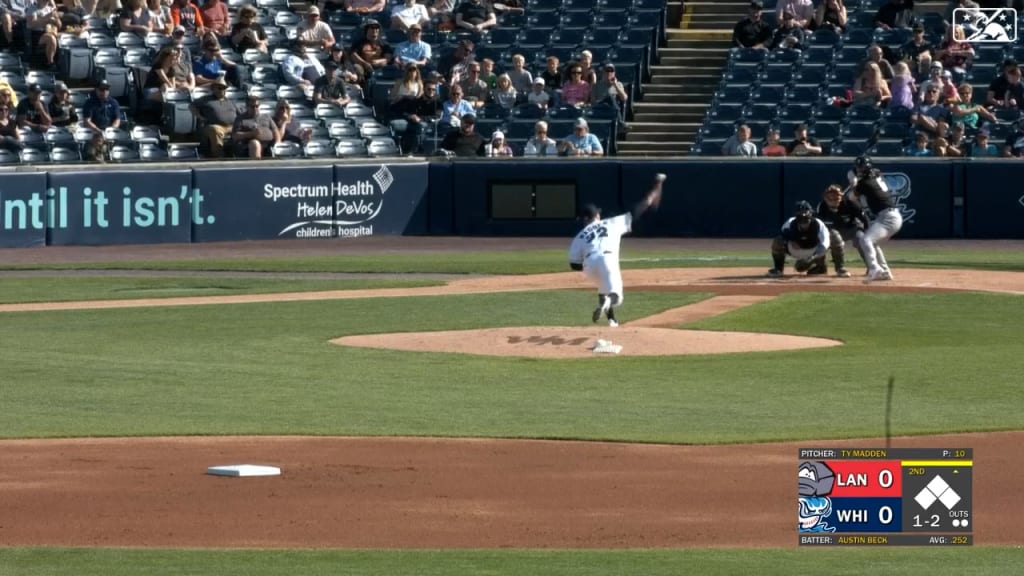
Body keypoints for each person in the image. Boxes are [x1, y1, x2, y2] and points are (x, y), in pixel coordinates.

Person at [567, 173, 665, 327]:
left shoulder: (579, 236)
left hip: (589, 266)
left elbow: (574, 265)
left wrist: (588, 265)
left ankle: (612, 321)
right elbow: (643, 205)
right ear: (597, 215)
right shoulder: (612, 222)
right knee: (616, 297)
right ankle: (607, 304)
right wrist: (658, 185)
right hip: (607, 259)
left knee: (603, 288)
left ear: (583, 219)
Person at [848, 155, 901, 282]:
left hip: (888, 217)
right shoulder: (877, 174)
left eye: (861, 168)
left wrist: (852, 182)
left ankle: (874, 269)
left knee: (865, 240)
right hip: (890, 215)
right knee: (872, 243)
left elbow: (851, 198)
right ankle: (884, 271)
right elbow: (872, 173)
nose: (859, 170)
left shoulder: (864, 183)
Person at [816, 184, 868, 277]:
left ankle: (872, 267)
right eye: (829, 196)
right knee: (822, 241)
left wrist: (868, 234)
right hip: (833, 231)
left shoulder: (850, 203)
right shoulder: (822, 206)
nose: (832, 198)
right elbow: (819, 225)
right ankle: (827, 267)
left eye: (835, 196)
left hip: (852, 228)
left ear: (841, 196)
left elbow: (865, 219)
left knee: (862, 240)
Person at [768, 201, 831, 277]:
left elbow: (825, 244)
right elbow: (782, 236)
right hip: (795, 251)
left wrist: (811, 258)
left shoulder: (818, 224)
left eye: (805, 211)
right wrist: (791, 240)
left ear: (810, 213)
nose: (803, 215)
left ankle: (822, 267)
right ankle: (778, 269)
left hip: (813, 251)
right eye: (800, 212)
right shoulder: (790, 223)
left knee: (834, 236)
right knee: (778, 241)